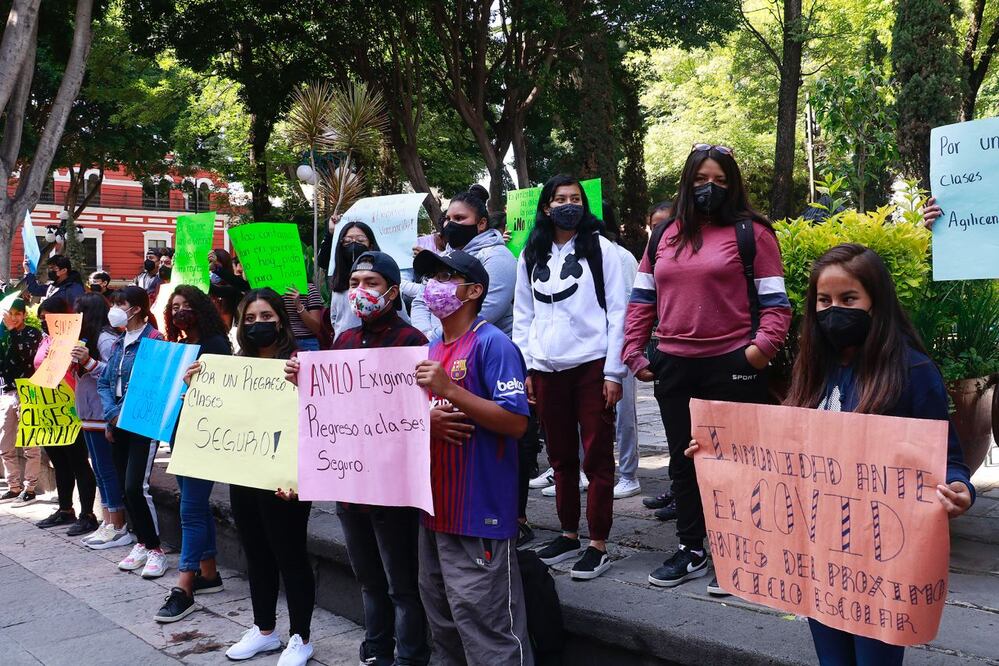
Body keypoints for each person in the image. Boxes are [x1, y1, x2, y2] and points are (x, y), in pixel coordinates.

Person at [690, 243, 975, 665]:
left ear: (875, 302)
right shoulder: (813, 370)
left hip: (880, 565)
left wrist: (958, 488)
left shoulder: (913, 374)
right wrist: (720, 453)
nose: (833, 310)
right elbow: (784, 452)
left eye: (848, 299)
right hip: (819, 556)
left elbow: (947, 457)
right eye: (824, 301)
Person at [621, 144, 791, 591]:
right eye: (700, 180)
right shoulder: (664, 235)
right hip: (674, 366)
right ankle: (692, 548)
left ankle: (739, 552)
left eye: (717, 180)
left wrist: (758, 352)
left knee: (737, 462)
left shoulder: (752, 233)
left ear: (731, 183)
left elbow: (776, 304)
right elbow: (642, 299)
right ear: (686, 183)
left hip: (732, 364)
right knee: (684, 462)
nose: (708, 188)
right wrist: (635, 353)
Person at [286, 251, 431, 666]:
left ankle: (410, 656)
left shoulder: (413, 343)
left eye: (370, 282)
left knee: (402, 584)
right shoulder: (343, 342)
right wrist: (305, 384)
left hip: (392, 489)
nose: (360, 291)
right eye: (353, 284)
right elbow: (332, 411)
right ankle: (376, 651)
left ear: (392, 290)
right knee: (368, 580)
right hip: (351, 488)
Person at [412, 249, 533, 665]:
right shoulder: (430, 347)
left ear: (474, 290)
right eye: (432, 276)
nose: (435, 285)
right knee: (444, 626)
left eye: (447, 276)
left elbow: (517, 423)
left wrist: (452, 391)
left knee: (489, 631)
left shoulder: (493, 345)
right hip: (435, 513)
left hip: (478, 513)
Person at [512, 174, 626, 581]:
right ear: (546, 206)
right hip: (546, 369)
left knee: (596, 457)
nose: (568, 205)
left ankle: (598, 543)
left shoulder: (602, 250)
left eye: (575, 198)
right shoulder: (532, 253)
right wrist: (526, 366)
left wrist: (614, 372)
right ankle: (567, 533)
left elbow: (619, 313)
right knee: (559, 457)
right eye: (560, 199)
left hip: (592, 366)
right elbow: (523, 315)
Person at [220, 289, 315, 666]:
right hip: (245, 471)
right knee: (256, 552)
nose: (259, 324)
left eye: (266, 316)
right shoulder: (235, 364)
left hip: (286, 477)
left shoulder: (301, 360)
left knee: (290, 554)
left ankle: (301, 637)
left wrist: (304, 384)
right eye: (251, 318)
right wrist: (197, 385)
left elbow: (322, 417)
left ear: (281, 318)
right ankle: (264, 631)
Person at [155, 285, 232, 623]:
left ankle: (184, 587)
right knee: (194, 505)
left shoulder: (215, 346)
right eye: (174, 307)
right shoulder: (181, 346)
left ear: (201, 307)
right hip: (180, 435)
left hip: (203, 438)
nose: (179, 311)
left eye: (186, 305)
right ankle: (209, 574)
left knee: (190, 511)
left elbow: (221, 395)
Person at [96, 286, 168, 578]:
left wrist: (122, 415)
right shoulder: (116, 344)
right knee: (123, 487)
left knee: (135, 487)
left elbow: (150, 385)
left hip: (141, 424)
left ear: (136, 308)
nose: (115, 309)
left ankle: (155, 549)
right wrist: (111, 416)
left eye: (120, 303)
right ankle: (141, 542)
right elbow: (104, 383)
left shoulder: (155, 341)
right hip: (117, 424)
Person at [411, 184, 517, 339]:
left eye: (459, 218)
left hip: (482, 350)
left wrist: (435, 337)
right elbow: (421, 300)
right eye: (448, 219)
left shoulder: (497, 257)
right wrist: (424, 336)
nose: (450, 224)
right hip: (439, 346)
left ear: (481, 223)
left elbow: (486, 311)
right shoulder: (443, 256)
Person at [70, 293, 133, 549]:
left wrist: (89, 361)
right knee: (99, 468)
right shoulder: (86, 339)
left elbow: (115, 374)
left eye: (78, 312)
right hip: (87, 411)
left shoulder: (106, 340)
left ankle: (118, 525)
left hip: (102, 412)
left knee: (107, 469)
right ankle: (108, 522)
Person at [32, 297, 98, 535]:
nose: (44, 323)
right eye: (41, 319)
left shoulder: (75, 340)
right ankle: (65, 509)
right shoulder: (45, 339)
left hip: (70, 407)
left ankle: (88, 513)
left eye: (47, 318)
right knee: (59, 462)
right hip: (48, 409)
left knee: (78, 461)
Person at [599, 203, 642, 499]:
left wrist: (626, 346)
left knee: (624, 411)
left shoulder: (621, 256)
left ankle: (628, 474)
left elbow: (628, 307)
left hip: (620, 344)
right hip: (589, 347)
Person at [0, 297, 43, 506]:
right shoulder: (3, 335)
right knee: (4, 443)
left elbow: (26, 356)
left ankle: (31, 487)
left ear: (24, 315)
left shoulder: (31, 333)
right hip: (7, 392)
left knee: (30, 442)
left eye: (18, 314)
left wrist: (12, 332)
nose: (14, 318)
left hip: (28, 390)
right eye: (11, 314)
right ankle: (13, 485)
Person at [329, 221, 381, 341]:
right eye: (347, 241)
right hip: (345, 348)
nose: (354, 245)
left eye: (360, 240)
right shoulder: (338, 285)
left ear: (371, 245)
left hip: (377, 347)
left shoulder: (384, 279)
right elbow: (335, 318)